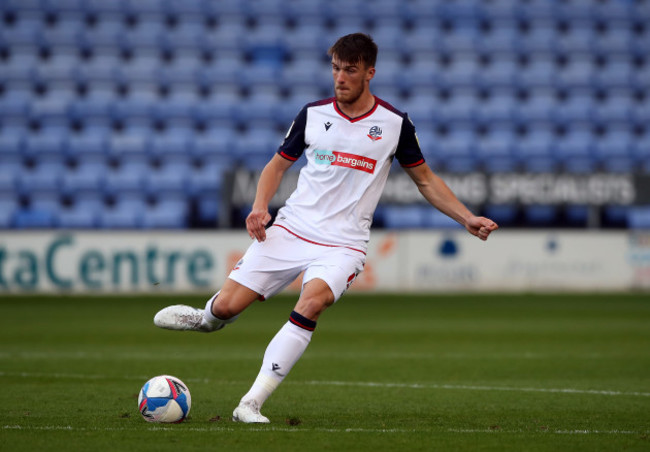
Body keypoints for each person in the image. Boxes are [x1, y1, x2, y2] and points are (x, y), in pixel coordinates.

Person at [153, 33, 498, 423]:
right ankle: (207, 319)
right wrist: (259, 206)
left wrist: (466, 217)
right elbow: (276, 166)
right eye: (335, 68)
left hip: (344, 243)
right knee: (229, 307)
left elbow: (426, 181)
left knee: (312, 302)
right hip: (292, 229)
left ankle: (250, 403)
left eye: (350, 70)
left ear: (370, 72)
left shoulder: (394, 124)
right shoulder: (312, 115)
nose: (340, 78)